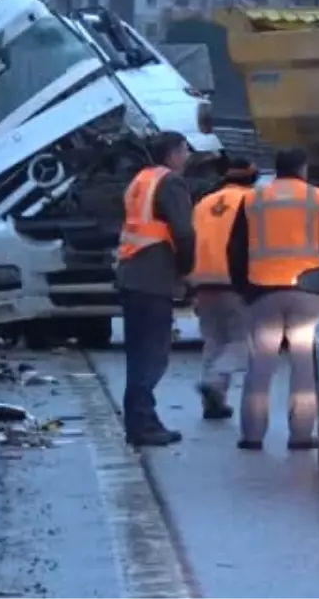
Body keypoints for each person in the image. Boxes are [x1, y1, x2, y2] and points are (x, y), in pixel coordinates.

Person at [227, 147, 319, 451]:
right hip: (307, 293)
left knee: (259, 367)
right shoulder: (318, 198)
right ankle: (301, 435)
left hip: (262, 291)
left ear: (276, 169)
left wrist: (244, 289)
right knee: (305, 367)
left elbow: (236, 249)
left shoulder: (253, 199)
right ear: (303, 168)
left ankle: (252, 435)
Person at [115, 131, 195, 447]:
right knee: (152, 355)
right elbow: (184, 233)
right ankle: (142, 424)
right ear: (173, 153)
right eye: (185, 150)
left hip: (132, 275)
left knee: (138, 355)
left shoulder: (140, 181)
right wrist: (187, 269)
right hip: (153, 278)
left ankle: (141, 418)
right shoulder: (170, 183)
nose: (188, 156)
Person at [187, 156, 259, 420]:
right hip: (234, 280)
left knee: (214, 340)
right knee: (240, 341)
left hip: (201, 280)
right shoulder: (252, 202)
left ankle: (213, 404)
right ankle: (215, 381)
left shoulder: (204, 203)